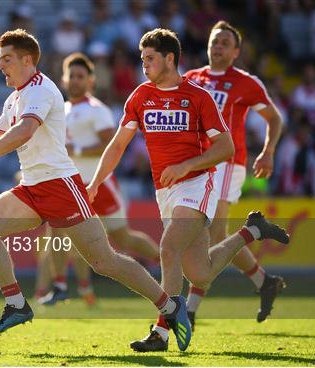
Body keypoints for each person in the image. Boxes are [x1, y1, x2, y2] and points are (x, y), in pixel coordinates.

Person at [0, 29, 189, 351]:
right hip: (31, 188)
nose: (1, 66)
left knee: (105, 262)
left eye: (6, 59)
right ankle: (17, 304)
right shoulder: (14, 98)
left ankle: (169, 306)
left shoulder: (41, 89)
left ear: (26, 60)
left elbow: (24, 132)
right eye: (0, 60)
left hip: (62, 187)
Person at [86, 28, 289, 352]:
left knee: (168, 247)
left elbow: (225, 148)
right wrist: (96, 181)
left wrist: (186, 166)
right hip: (165, 191)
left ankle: (161, 331)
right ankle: (251, 231)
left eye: (150, 58)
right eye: (142, 59)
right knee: (200, 273)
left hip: (197, 183)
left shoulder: (198, 96)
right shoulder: (139, 96)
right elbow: (117, 144)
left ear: (170, 58)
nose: (144, 65)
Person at [182, 21, 285, 331]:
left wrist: (267, 152)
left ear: (237, 51)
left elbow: (274, 118)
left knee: (212, 236)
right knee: (205, 237)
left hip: (228, 163)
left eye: (225, 42)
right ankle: (263, 280)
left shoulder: (245, 82)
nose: (218, 46)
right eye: (215, 40)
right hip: (197, 163)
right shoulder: (192, 78)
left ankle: (189, 309)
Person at [37, 52, 160, 306]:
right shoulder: (61, 110)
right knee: (56, 231)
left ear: (91, 81)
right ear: (64, 79)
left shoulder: (97, 110)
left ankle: (168, 260)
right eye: (72, 76)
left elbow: (109, 145)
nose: (76, 81)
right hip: (69, 184)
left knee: (123, 238)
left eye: (81, 76)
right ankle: (60, 286)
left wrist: (77, 151)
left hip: (98, 183)